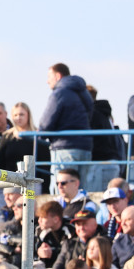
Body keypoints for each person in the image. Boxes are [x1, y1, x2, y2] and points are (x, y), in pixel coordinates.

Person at [40, 63, 94, 191]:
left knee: (61, 189)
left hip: (64, 147)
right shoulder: (83, 92)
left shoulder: (59, 93)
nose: (47, 81)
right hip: (85, 146)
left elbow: (46, 122)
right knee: (82, 189)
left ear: (58, 76)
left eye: (49, 77)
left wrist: (40, 133)